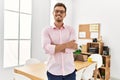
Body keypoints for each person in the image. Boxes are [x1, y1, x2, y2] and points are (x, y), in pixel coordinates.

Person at [42, 2, 78, 80]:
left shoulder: (71, 29)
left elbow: (73, 47)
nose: (59, 13)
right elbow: (46, 48)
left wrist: (54, 47)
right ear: (53, 13)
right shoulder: (46, 30)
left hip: (70, 71)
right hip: (53, 72)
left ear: (65, 14)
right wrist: (67, 44)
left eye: (61, 12)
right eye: (56, 11)